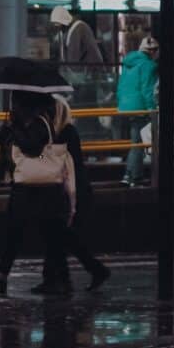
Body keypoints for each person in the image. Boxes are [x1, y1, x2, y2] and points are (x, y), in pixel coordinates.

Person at [0, 93, 74, 295]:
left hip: (38, 189)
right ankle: (60, 280)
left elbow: (32, 147)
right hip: (32, 187)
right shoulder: (28, 122)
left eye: (17, 102)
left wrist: (13, 129)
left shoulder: (39, 123)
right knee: (40, 234)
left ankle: (4, 279)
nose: (14, 106)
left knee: (29, 233)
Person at [51, 98, 111, 288]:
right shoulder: (61, 132)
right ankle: (58, 278)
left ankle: (94, 270)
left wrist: (40, 152)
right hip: (68, 189)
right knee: (58, 235)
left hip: (74, 191)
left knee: (65, 236)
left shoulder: (66, 132)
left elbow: (55, 157)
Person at [116, 32, 159, 186]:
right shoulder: (149, 65)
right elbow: (147, 89)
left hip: (125, 106)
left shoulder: (129, 63)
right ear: (153, 52)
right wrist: (151, 108)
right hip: (139, 106)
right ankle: (133, 177)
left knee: (135, 142)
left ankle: (130, 175)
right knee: (138, 143)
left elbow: (121, 86)